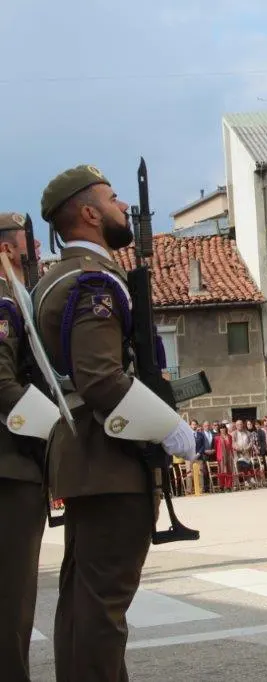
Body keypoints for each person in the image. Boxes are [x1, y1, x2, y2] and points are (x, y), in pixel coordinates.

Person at [32, 165, 196, 678]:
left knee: (83, 603)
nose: (123, 206)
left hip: (86, 456)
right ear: (88, 213)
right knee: (103, 606)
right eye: (113, 198)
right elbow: (101, 378)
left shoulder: (55, 279)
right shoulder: (93, 281)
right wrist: (168, 425)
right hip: (108, 457)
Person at [0, 211, 60, 681]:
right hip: (10, 467)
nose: (33, 251)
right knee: (12, 601)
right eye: (25, 243)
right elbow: (2, 384)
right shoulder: (4, 304)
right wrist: (57, 432)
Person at [214, 424, 233, 489]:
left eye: (223, 428)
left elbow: (231, 446)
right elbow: (215, 447)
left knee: (229, 470)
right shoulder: (217, 438)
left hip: (229, 455)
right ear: (219, 430)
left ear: (226, 429)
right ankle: (221, 486)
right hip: (220, 456)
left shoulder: (229, 436)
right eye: (221, 428)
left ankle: (229, 486)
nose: (222, 429)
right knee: (221, 470)